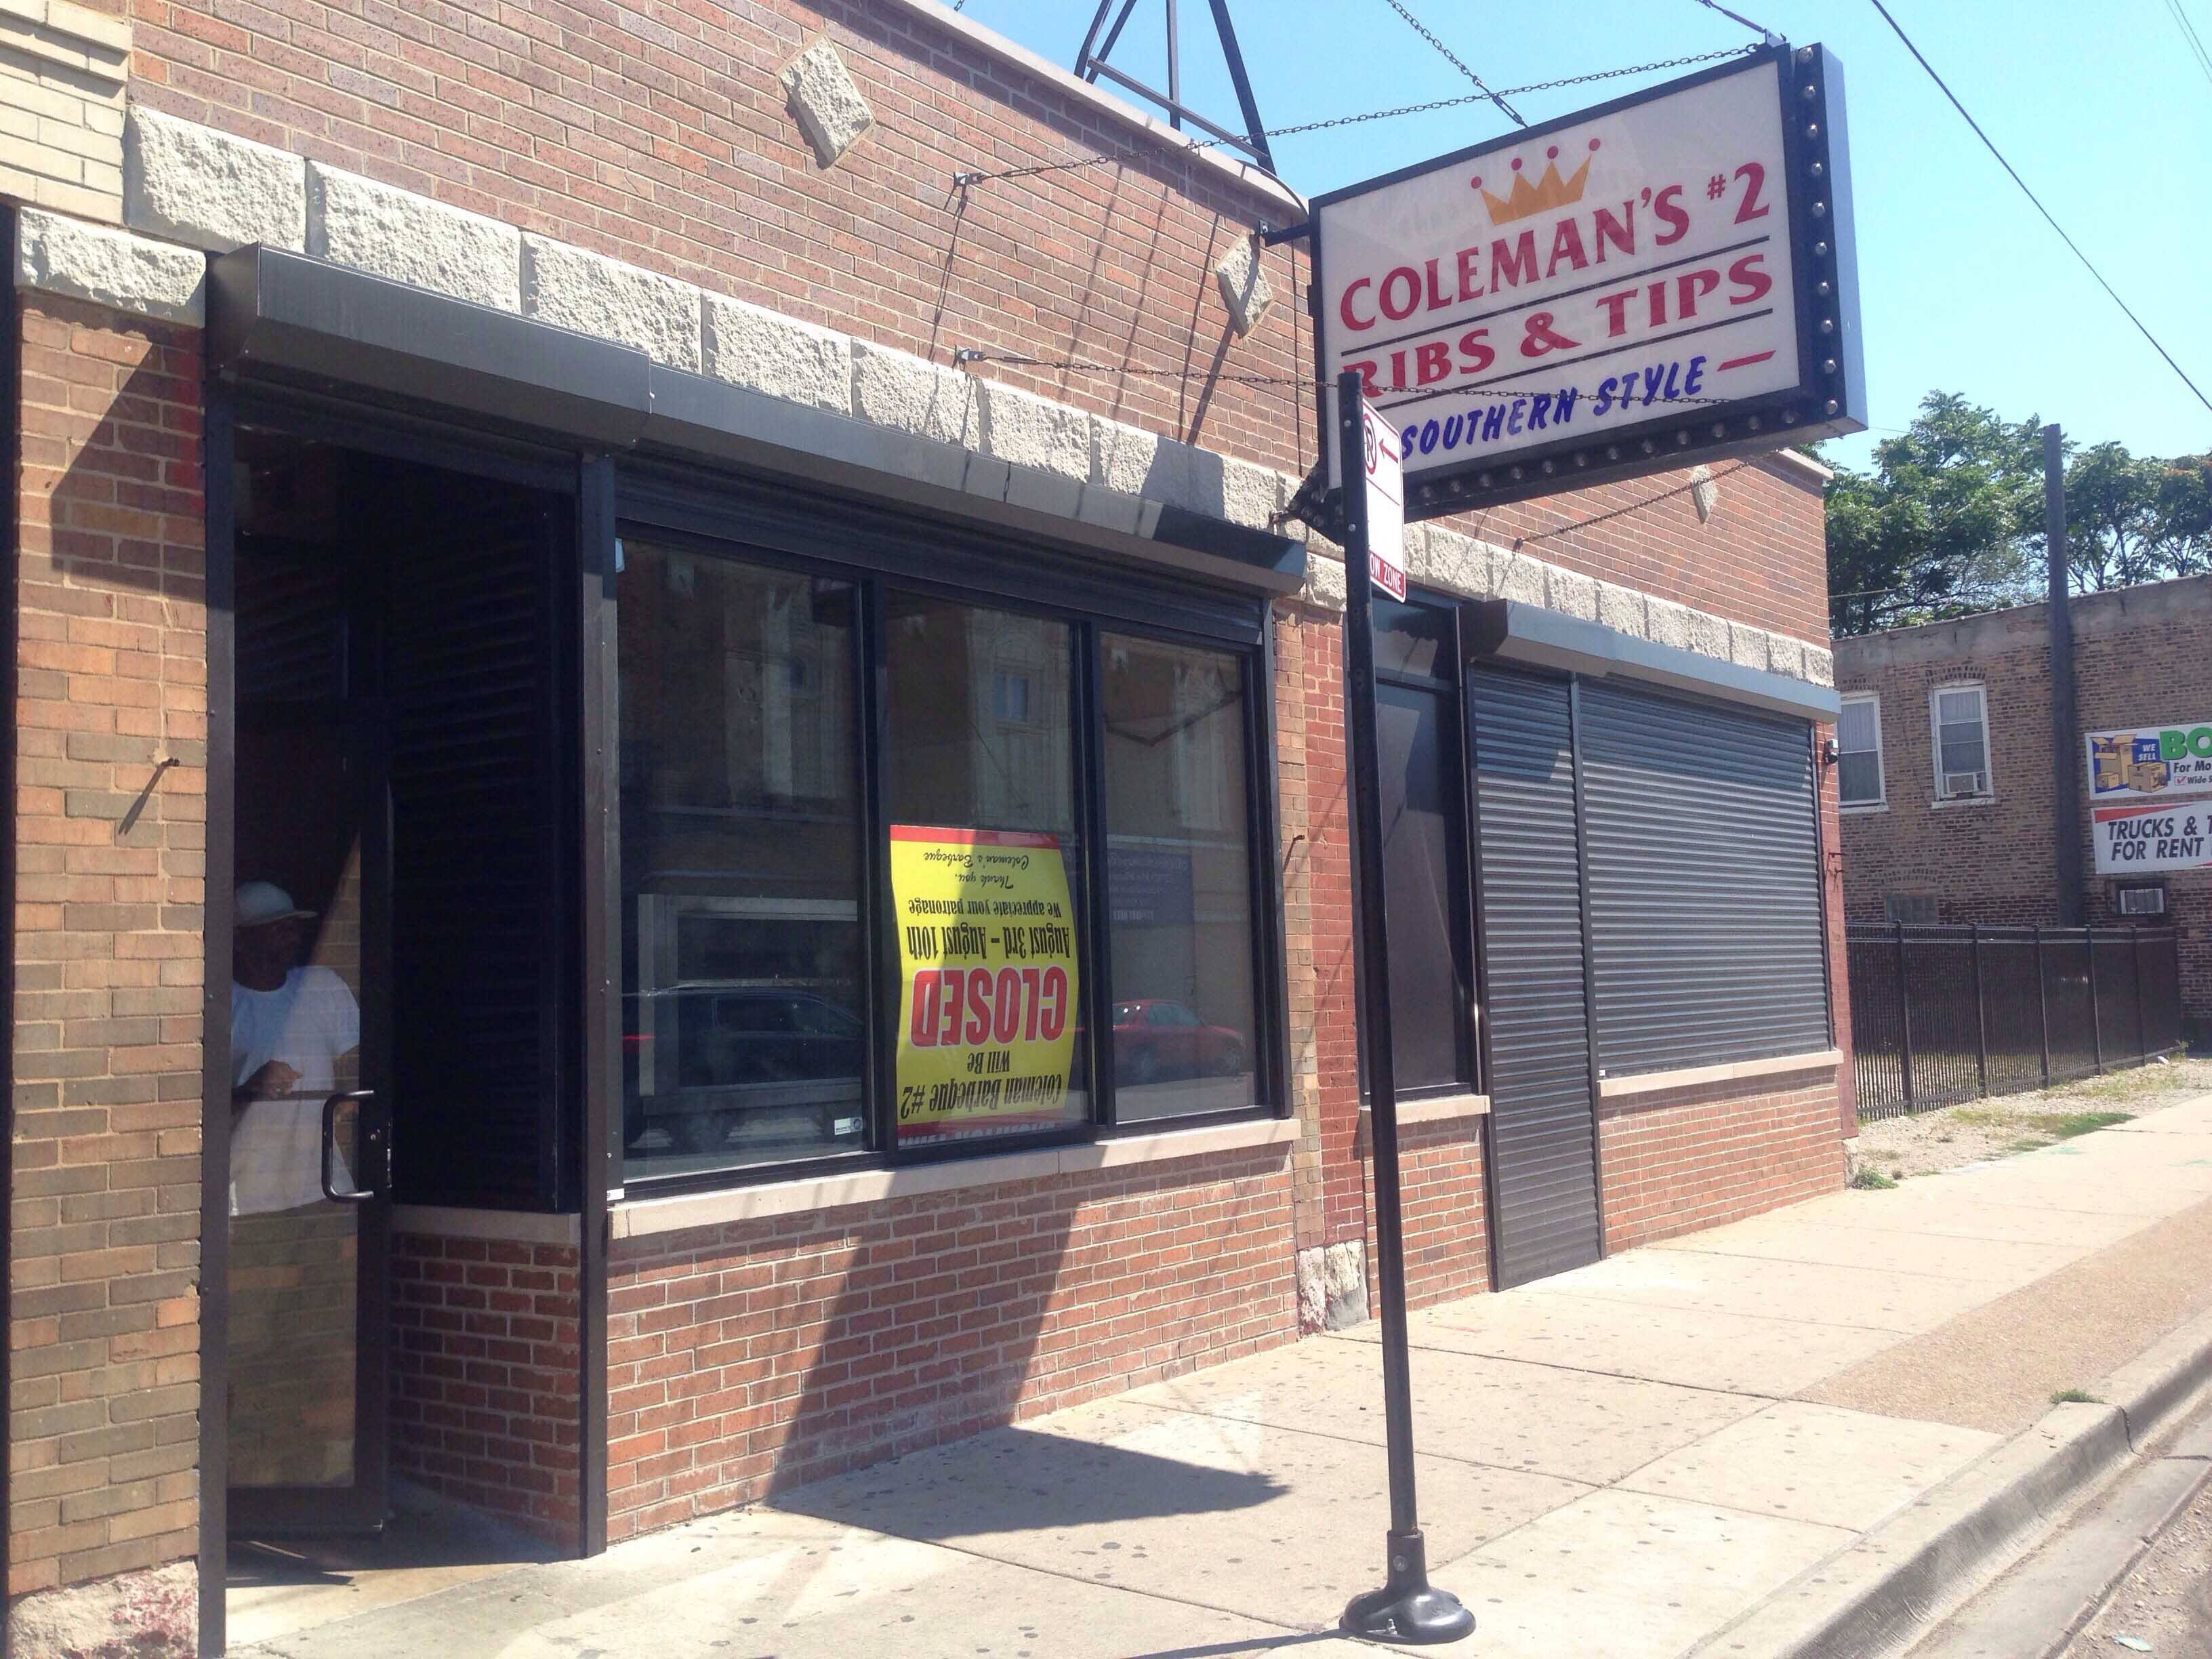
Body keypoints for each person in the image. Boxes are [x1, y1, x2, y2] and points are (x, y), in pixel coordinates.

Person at [229, 880, 361, 1216]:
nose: (293, 937)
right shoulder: (220, 1002)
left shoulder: (320, 986)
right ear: (241, 940)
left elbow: (360, 1065)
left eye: (294, 927)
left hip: (322, 1185)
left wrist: (347, 1102)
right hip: (248, 1192)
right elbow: (192, 1107)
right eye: (278, 929)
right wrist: (250, 1090)